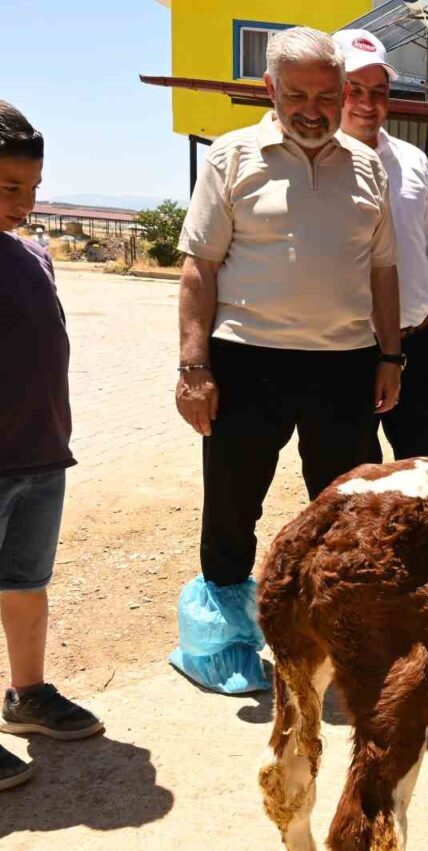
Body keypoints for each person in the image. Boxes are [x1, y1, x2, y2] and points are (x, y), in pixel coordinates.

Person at [172, 27, 402, 695]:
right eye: (296, 93)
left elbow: (383, 272)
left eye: (326, 96)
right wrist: (194, 366)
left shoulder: (366, 166)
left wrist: (390, 354)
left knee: (345, 512)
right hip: (246, 361)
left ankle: (336, 631)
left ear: (342, 95)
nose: (312, 108)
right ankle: (226, 644)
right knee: (232, 504)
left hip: (344, 366)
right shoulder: (230, 157)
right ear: (269, 90)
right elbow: (198, 268)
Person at [0, 101, 104, 792]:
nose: (26, 201)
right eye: (9, 187)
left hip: (40, 451)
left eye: (32, 187)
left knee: (26, 582)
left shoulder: (32, 251)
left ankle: (26, 694)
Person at [336, 29, 428, 461]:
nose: (368, 103)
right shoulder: (317, 164)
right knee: (354, 472)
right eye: (354, 90)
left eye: (379, 91)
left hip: (417, 343)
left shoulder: (412, 161)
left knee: (425, 469)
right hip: (351, 348)